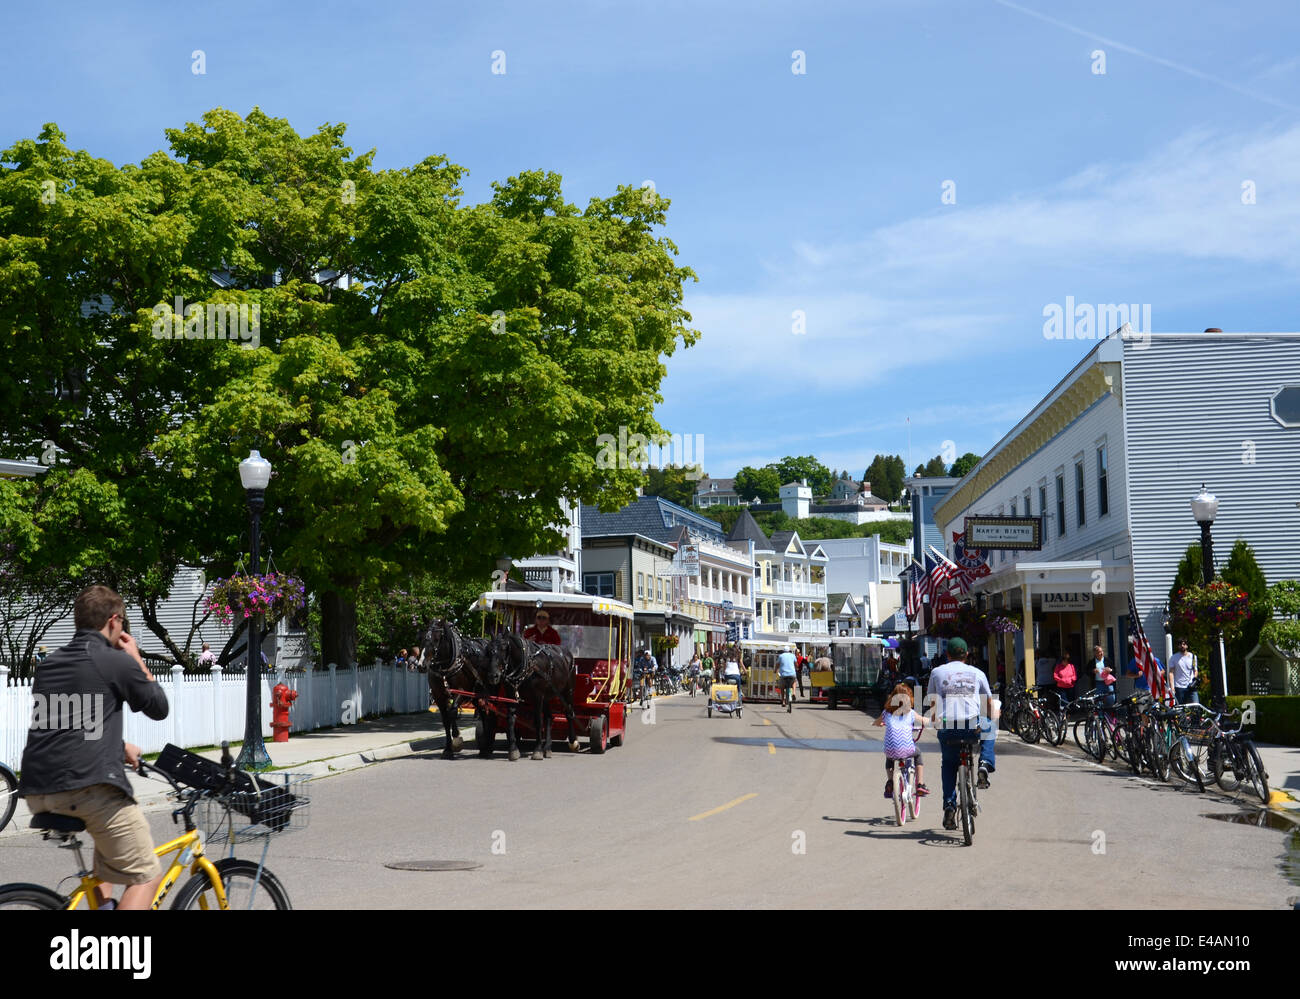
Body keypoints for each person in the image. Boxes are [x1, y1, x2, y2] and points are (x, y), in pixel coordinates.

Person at [18, 586, 170, 910]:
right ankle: (113, 956)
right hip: (88, 788)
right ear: (114, 621)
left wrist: (116, 745)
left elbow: (65, 725)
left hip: (38, 789)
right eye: (123, 623)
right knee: (146, 876)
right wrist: (137, 660)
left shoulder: (50, 664)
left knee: (108, 867)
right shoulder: (114, 661)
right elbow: (158, 707)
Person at [925, 637, 997, 831]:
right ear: (967, 655)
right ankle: (985, 763)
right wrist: (991, 717)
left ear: (947, 655)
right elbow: (989, 704)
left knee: (949, 764)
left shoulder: (937, 672)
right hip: (972, 726)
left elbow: (932, 702)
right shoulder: (978, 673)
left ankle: (949, 804)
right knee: (990, 724)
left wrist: (935, 720)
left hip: (948, 727)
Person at [875, 682, 929, 798]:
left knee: (889, 758)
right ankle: (920, 784)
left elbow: (878, 722)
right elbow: (925, 721)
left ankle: (890, 781)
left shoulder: (886, 713)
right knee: (918, 754)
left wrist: (878, 724)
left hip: (890, 750)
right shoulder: (911, 713)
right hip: (907, 749)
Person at [1169, 638, 1200, 704]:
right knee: (1181, 708)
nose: (1182, 646)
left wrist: (1194, 680)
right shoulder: (1173, 658)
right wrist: (1172, 687)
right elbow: (1171, 673)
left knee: (1195, 706)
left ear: (1187, 646)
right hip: (1179, 687)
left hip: (1191, 686)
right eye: (1180, 644)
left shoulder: (1193, 657)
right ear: (1178, 646)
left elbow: (1195, 670)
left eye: (1184, 644)